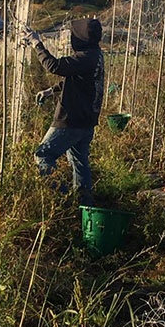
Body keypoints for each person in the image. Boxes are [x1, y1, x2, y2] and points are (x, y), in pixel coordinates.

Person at [22, 18, 104, 206]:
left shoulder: (85, 57)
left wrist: (36, 43)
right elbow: (77, 79)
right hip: (86, 121)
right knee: (79, 161)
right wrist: (51, 91)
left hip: (72, 120)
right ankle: (84, 206)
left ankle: (63, 199)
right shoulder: (95, 55)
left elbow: (55, 67)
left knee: (43, 155)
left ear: (81, 38)